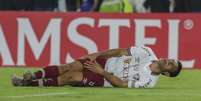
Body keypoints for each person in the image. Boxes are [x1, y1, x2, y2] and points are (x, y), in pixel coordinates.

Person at [11, 46, 182, 88]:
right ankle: (31, 76)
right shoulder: (147, 51)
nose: (169, 60)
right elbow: (120, 51)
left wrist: (101, 73)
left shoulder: (148, 82)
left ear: (167, 73)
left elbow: (121, 84)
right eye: (172, 59)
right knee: (69, 66)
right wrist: (97, 55)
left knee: (72, 77)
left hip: (104, 78)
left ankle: (27, 84)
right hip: (104, 62)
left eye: (172, 64)